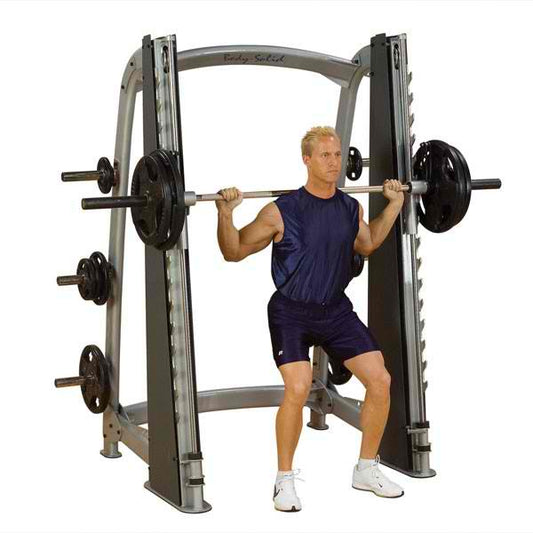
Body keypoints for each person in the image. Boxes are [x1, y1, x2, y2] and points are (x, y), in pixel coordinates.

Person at [216, 126, 405, 512]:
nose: (334, 163)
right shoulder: (280, 211)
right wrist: (225, 215)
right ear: (306, 159)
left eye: (337, 155)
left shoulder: (350, 208)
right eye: (325, 156)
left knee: (381, 380)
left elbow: (368, 243)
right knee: (299, 387)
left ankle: (366, 468)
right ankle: (284, 480)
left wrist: (395, 206)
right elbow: (233, 252)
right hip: (291, 312)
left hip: (335, 309)